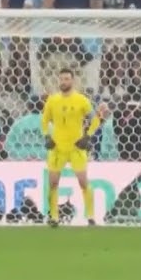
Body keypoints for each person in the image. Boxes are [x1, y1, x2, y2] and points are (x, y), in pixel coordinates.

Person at [41, 69, 106, 227]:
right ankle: (54, 217)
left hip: (76, 146)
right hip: (57, 147)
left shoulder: (81, 100)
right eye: (61, 79)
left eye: (67, 79)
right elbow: (44, 121)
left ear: (73, 81)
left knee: (83, 182)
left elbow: (95, 119)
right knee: (53, 183)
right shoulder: (52, 100)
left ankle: (90, 216)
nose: (64, 82)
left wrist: (87, 136)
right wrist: (47, 136)